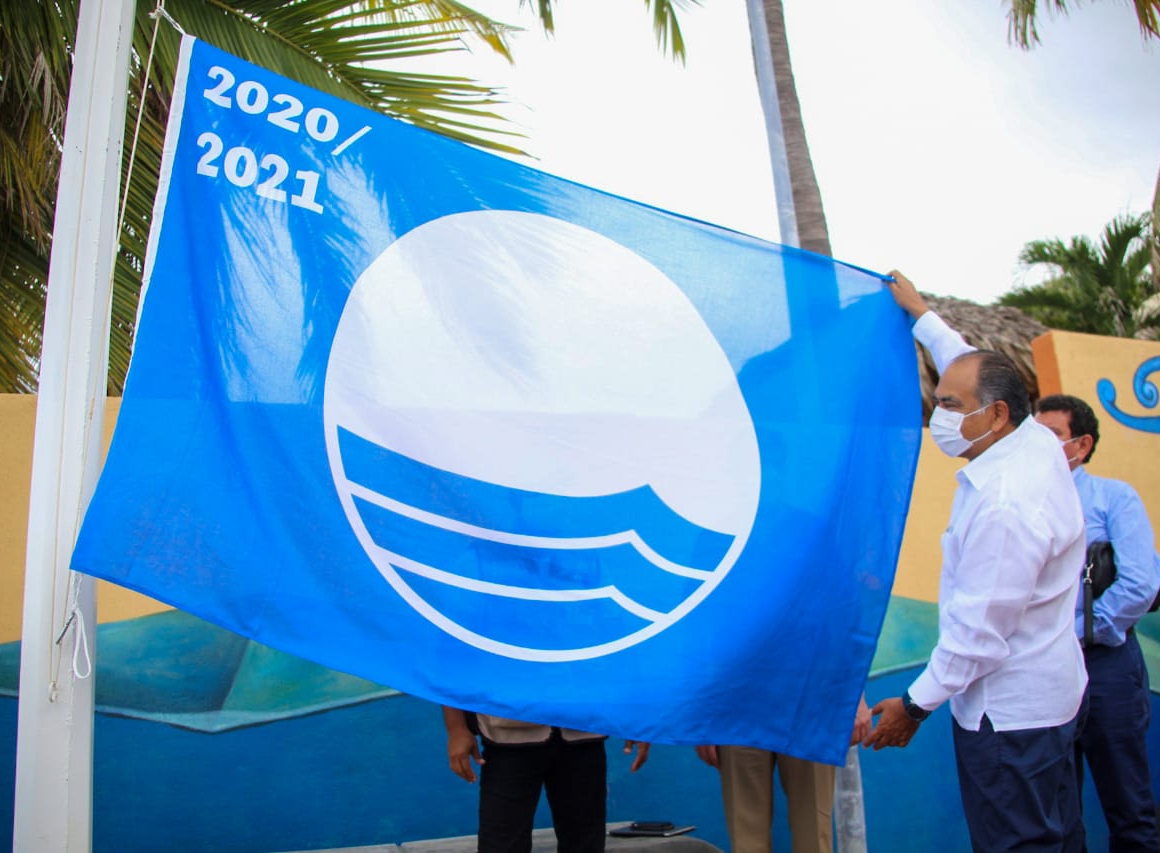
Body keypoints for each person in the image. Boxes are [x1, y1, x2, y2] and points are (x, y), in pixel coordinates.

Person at [863, 271, 1088, 853]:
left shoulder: (1004, 505)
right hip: (1052, 701)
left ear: (996, 415)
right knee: (1060, 837)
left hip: (1009, 721)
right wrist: (920, 313)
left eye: (950, 406)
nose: (939, 414)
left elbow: (979, 634)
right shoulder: (1032, 438)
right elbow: (963, 358)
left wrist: (913, 706)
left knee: (1018, 843)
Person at [1034, 393, 1160, 852]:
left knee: (1128, 804)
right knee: (1059, 811)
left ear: (1082, 444)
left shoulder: (1114, 498)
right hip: (1045, 671)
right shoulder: (1022, 502)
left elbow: (1140, 584)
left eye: (1053, 435)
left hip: (1105, 665)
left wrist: (1078, 631)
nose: (1041, 446)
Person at [442, 707, 648, 853]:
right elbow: (453, 661)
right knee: (501, 844)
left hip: (582, 729)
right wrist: (456, 728)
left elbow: (623, 660)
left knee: (586, 843)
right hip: (507, 735)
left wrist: (638, 716)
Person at [692, 697, 872, 853]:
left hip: (811, 696)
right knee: (746, 839)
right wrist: (705, 710)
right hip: (739, 699)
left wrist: (856, 697)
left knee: (813, 833)